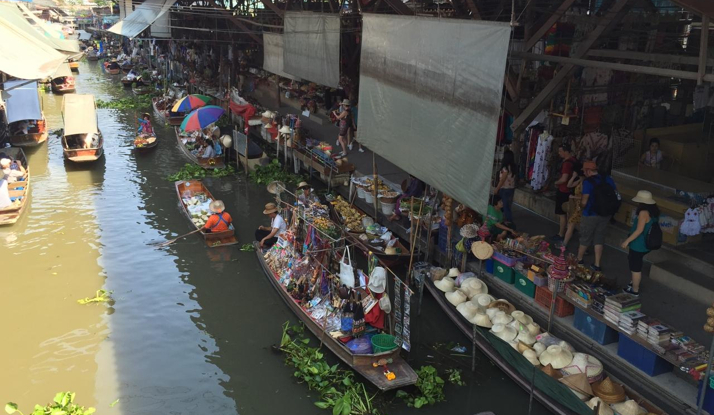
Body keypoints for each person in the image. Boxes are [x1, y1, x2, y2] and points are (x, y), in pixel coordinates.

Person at [577, 160, 619, 271]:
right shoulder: (608, 179)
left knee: (585, 238)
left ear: (588, 171)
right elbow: (615, 194)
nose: (584, 173)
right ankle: (597, 264)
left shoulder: (588, 182)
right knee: (599, 238)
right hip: (606, 214)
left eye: (585, 171)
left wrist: (580, 207)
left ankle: (579, 260)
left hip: (590, 214)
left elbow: (584, 202)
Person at [620, 190, 659, 297]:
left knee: (635, 268)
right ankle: (633, 282)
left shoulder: (643, 213)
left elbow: (639, 230)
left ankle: (634, 290)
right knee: (636, 264)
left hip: (638, 245)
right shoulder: (654, 212)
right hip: (646, 244)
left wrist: (627, 241)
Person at [553, 144, 578, 242]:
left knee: (562, 214)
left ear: (566, 152)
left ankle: (561, 234)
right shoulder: (574, 160)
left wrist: (556, 182)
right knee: (569, 213)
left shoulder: (567, 164)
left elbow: (564, 179)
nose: (559, 153)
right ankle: (568, 231)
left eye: (560, 151)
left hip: (563, 191)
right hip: (571, 192)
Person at [493, 149, 517, 224]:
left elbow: (502, 180)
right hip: (511, 189)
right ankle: (505, 221)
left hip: (504, 189)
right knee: (507, 206)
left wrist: (497, 189)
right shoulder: (513, 167)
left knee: (504, 207)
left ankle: (509, 223)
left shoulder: (505, 168)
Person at [563, 169, 585, 248]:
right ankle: (584, 246)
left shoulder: (584, 184)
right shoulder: (580, 181)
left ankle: (564, 244)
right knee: (576, 225)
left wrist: (573, 197)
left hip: (579, 207)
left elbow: (584, 197)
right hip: (576, 207)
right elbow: (569, 185)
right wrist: (574, 177)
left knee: (571, 224)